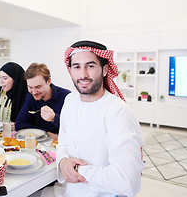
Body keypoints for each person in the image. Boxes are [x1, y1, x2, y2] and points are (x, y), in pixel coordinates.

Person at [40, 40, 144, 197]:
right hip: (67, 191)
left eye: (90, 66)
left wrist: (78, 169)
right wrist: (63, 162)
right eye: (77, 67)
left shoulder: (118, 112)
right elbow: (63, 142)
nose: (83, 74)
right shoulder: (70, 100)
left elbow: (128, 182)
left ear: (105, 70)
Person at [15, 63, 71, 139]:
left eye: (38, 87)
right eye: (30, 87)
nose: (34, 92)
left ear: (48, 81)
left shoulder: (66, 96)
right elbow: (20, 124)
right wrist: (47, 134)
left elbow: (74, 127)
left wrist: (54, 118)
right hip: (40, 143)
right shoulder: (31, 96)